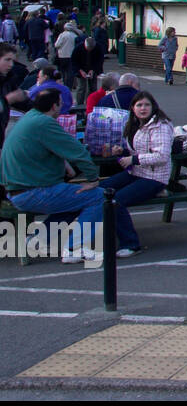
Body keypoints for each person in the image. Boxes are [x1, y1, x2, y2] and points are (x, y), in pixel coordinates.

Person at [1, 89, 102, 263]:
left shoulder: (29, 119)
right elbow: (78, 152)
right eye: (61, 103)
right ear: (55, 106)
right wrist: (93, 179)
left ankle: (38, 240)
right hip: (32, 191)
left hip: (15, 189)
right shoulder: (45, 123)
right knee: (99, 196)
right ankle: (73, 248)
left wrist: (64, 163)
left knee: (75, 198)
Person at [98, 91, 174, 258]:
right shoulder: (134, 123)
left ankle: (131, 244)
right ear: (132, 108)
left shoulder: (160, 126)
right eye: (139, 105)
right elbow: (140, 149)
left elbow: (162, 156)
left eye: (146, 105)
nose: (143, 108)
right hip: (137, 172)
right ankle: (103, 233)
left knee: (116, 201)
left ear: (153, 106)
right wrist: (123, 151)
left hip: (154, 177)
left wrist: (133, 159)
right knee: (101, 190)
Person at [0, 43, 29, 151]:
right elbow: (11, 98)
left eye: (13, 61)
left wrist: (43, 104)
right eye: (7, 60)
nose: (11, 65)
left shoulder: (7, 79)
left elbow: (22, 101)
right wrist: (8, 100)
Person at [71, 35, 105, 105]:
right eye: (88, 49)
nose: (89, 50)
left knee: (93, 87)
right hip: (81, 68)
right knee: (81, 87)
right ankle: (79, 104)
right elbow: (73, 61)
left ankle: (90, 103)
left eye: (91, 49)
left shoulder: (98, 48)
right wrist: (80, 70)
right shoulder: (78, 48)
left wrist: (93, 70)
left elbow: (100, 61)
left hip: (93, 68)